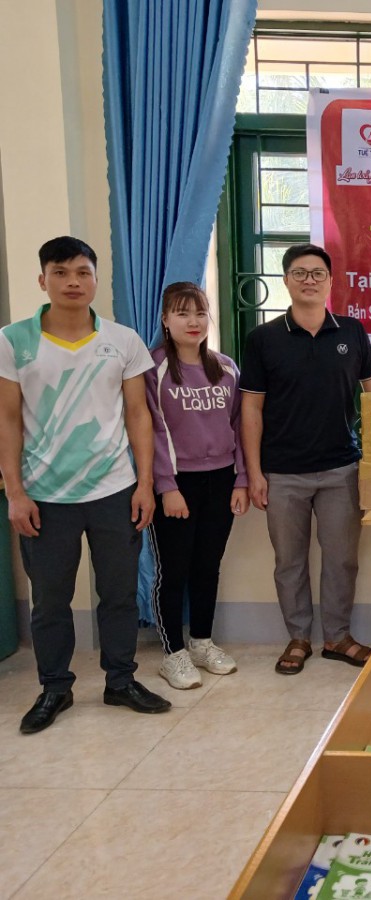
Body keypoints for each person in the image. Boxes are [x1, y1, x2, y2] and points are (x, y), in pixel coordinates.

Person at [0, 236, 171, 734]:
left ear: (95, 280)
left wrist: (145, 484)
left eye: (82, 272)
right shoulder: (13, 340)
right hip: (44, 495)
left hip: (115, 490)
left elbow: (138, 415)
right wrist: (15, 492)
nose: (72, 282)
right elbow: (7, 420)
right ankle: (55, 687)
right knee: (50, 600)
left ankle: (121, 680)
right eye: (60, 272)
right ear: (43, 280)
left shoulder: (123, 340)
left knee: (118, 594)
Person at [240, 243, 371, 675]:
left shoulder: (352, 332)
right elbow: (251, 409)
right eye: (300, 273)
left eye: (317, 273)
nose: (309, 280)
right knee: (289, 561)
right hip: (282, 472)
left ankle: (338, 637)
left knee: (342, 559)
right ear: (286, 280)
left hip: (342, 468)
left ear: (330, 281)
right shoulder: (263, 339)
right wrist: (254, 473)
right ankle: (299, 638)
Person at [144, 282, 248, 689]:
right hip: (176, 483)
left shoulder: (226, 368)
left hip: (221, 479)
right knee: (173, 570)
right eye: (182, 313)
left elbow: (239, 426)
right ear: (166, 320)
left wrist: (241, 479)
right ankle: (173, 653)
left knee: (207, 566)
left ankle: (202, 642)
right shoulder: (153, 369)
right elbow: (152, 431)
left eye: (200, 313)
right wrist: (166, 486)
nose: (193, 321)